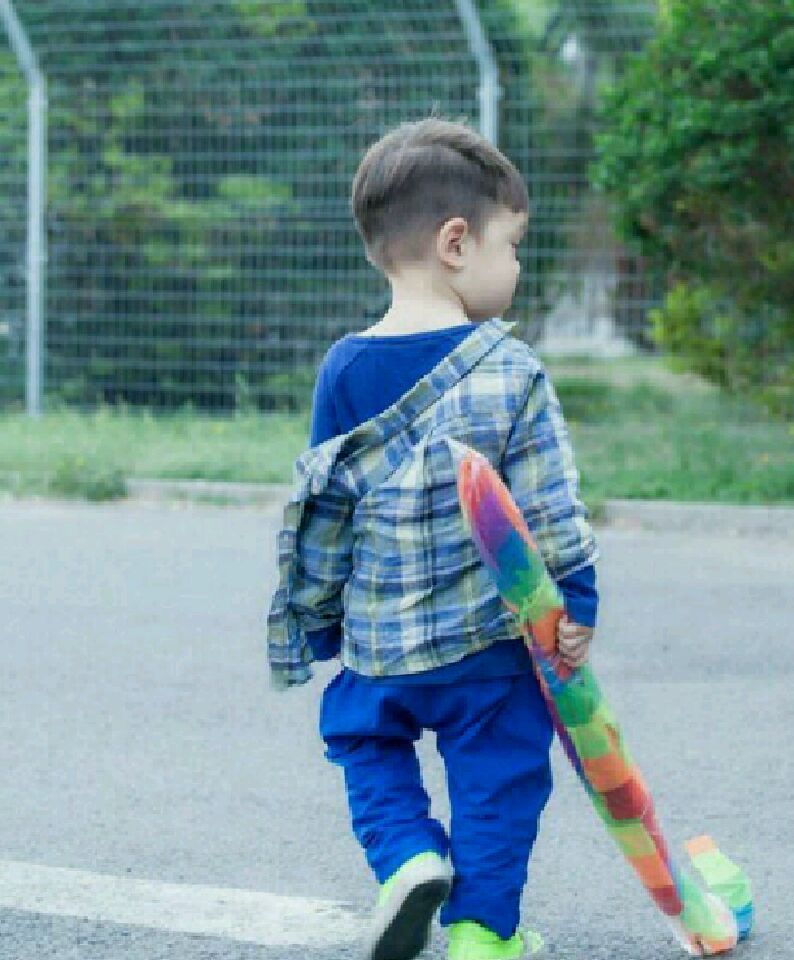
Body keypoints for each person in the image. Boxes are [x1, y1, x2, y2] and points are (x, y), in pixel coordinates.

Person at [266, 117, 600, 960]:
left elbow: (323, 512)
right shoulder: (514, 370)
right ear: (457, 242)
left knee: (364, 741)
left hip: (380, 642)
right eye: (512, 246)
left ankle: (409, 858)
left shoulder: (344, 369)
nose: (517, 267)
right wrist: (575, 603)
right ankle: (484, 932)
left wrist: (319, 620)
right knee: (498, 778)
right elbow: (551, 507)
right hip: (488, 647)